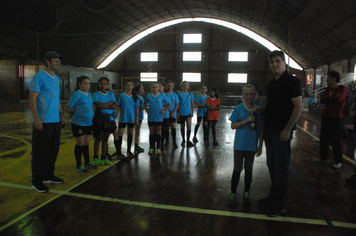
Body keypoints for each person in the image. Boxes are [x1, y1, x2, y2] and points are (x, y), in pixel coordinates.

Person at [257, 50, 303, 217]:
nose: (274, 64)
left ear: (284, 63)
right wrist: (264, 109)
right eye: (272, 62)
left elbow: (299, 107)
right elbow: (274, 104)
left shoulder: (292, 82)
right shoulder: (272, 83)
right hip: (270, 130)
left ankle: (279, 203)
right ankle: (274, 195)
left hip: (281, 132)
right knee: (272, 166)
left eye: (277, 61)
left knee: (281, 168)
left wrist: (287, 129)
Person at [29, 51, 66, 193]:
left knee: (53, 150)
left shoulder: (56, 79)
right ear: (47, 62)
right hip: (43, 121)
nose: (58, 63)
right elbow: (32, 99)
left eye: (58, 61)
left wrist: (61, 115)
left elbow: (56, 99)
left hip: (55, 121)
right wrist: (36, 118)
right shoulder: (39, 77)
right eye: (55, 61)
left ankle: (48, 175)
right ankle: (36, 181)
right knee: (40, 152)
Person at [227, 84, 263, 206]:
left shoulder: (259, 109)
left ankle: (246, 192)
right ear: (242, 95)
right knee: (237, 169)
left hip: (252, 146)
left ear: (255, 95)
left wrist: (260, 145)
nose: (249, 96)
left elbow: (261, 129)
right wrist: (246, 121)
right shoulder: (238, 108)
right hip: (239, 145)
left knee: (249, 170)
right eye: (246, 94)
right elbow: (233, 126)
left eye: (251, 94)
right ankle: (233, 193)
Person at [314, 71, 347, 169]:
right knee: (323, 138)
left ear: (334, 79)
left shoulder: (342, 88)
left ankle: (338, 161)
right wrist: (331, 98)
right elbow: (321, 100)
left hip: (336, 118)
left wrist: (327, 99)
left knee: (335, 140)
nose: (326, 80)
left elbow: (338, 99)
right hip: (326, 116)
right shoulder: (327, 89)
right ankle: (324, 158)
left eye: (328, 78)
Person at [65, 76, 97, 173]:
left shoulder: (89, 95)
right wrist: (74, 114)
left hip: (88, 123)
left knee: (86, 143)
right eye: (85, 83)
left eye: (89, 83)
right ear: (79, 84)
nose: (87, 86)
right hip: (79, 123)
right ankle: (78, 165)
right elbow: (68, 108)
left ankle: (87, 162)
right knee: (80, 143)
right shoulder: (77, 94)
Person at [92, 77, 117, 165]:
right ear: (99, 84)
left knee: (105, 138)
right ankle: (95, 157)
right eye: (101, 83)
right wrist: (109, 103)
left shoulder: (110, 94)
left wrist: (105, 105)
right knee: (98, 138)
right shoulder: (96, 94)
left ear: (108, 85)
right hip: (99, 119)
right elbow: (98, 106)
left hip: (109, 119)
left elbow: (115, 106)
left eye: (105, 84)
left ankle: (104, 156)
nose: (103, 85)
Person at [113, 80, 139, 159]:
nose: (129, 87)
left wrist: (137, 118)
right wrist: (117, 113)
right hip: (123, 118)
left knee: (130, 134)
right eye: (127, 85)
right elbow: (118, 106)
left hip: (131, 118)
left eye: (131, 85)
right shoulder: (122, 96)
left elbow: (137, 108)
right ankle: (118, 152)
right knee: (120, 134)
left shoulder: (135, 96)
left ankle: (128, 151)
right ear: (125, 86)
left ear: (133, 86)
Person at [144, 82, 171, 155]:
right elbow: (144, 103)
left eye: (156, 87)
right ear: (151, 88)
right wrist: (146, 109)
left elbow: (169, 103)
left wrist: (165, 110)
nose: (155, 88)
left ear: (159, 88)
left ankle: (158, 148)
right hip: (151, 118)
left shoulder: (162, 95)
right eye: (154, 87)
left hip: (158, 118)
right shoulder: (148, 95)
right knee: (152, 133)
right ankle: (151, 148)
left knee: (158, 133)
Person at [177, 81, 195, 148]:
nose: (185, 87)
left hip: (188, 113)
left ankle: (188, 141)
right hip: (181, 113)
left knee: (189, 127)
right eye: (184, 85)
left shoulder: (190, 94)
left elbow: (192, 104)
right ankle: (183, 140)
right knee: (182, 127)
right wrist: (177, 113)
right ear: (182, 86)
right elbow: (177, 104)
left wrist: (192, 112)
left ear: (188, 86)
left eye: (186, 85)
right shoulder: (179, 94)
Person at [166, 81, 180, 149]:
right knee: (165, 128)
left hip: (173, 114)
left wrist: (174, 112)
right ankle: (167, 141)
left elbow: (177, 104)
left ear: (173, 87)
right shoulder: (164, 94)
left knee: (173, 128)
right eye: (169, 85)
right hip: (165, 114)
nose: (170, 87)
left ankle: (174, 142)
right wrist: (167, 111)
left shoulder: (175, 94)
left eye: (171, 86)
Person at [134, 84, 145, 154]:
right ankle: (135, 147)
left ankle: (137, 145)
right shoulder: (136, 97)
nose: (143, 89)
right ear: (139, 89)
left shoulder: (141, 97)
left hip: (140, 115)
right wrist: (142, 108)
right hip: (137, 116)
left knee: (138, 131)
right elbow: (136, 107)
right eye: (142, 88)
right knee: (137, 131)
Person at [159, 82, 170, 150]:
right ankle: (154, 144)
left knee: (164, 130)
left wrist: (165, 107)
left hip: (165, 115)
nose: (159, 88)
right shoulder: (155, 95)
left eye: (160, 86)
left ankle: (163, 143)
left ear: (163, 87)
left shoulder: (166, 95)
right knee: (156, 131)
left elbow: (170, 105)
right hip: (157, 115)